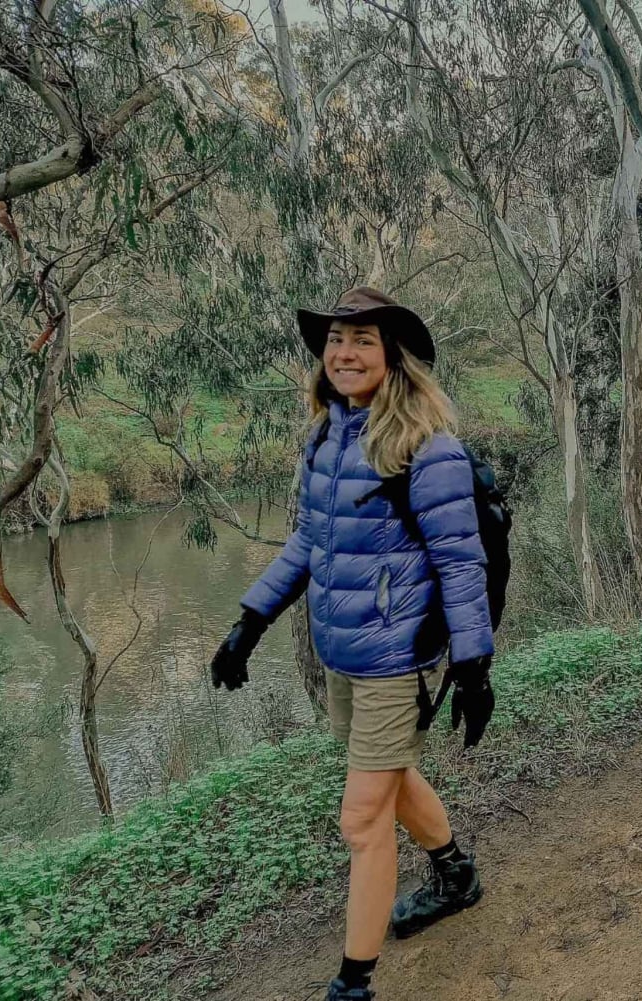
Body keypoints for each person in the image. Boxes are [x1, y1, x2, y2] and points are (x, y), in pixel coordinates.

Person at [207, 287, 496, 1001]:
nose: (344, 352)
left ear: (392, 354)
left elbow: (462, 562)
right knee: (390, 780)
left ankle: (353, 985)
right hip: (344, 653)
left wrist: (474, 665)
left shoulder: (428, 447)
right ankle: (455, 872)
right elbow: (309, 539)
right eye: (336, 339)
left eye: (362, 338)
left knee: (361, 815)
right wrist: (251, 621)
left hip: (398, 657)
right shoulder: (328, 435)